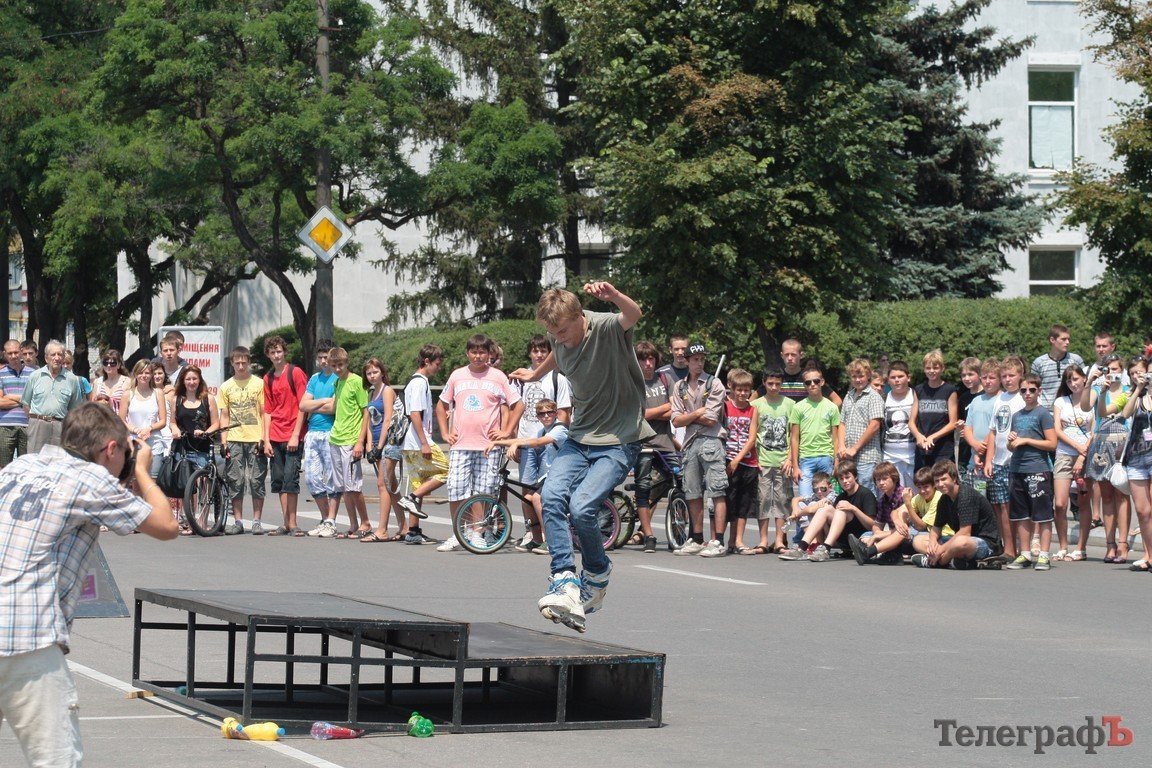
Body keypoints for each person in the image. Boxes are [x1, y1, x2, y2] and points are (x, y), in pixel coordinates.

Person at [0, 402, 177, 767]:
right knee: (56, 759)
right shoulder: (89, 478)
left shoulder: (20, 466)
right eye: (123, 456)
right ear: (110, 449)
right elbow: (166, 525)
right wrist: (143, 472)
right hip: (26, 637)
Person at [511, 283, 653, 633]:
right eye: (551, 333)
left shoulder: (605, 327)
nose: (560, 338)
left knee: (582, 506)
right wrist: (534, 375)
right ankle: (564, 579)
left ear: (580, 317)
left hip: (620, 439)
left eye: (563, 330)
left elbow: (633, 314)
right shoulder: (560, 343)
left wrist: (615, 296)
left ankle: (597, 573)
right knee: (551, 496)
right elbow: (556, 356)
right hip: (580, 438)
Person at [435, 334, 519, 552]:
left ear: (489, 354)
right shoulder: (457, 376)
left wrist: (507, 432)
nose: (478, 356)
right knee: (456, 488)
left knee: (482, 492)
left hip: (487, 446)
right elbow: (441, 404)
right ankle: (458, 532)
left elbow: (517, 405)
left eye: (482, 352)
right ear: (467, 353)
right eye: (474, 352)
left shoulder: (498, 377)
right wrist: (445, 433)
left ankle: (478, 532)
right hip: (461, 444)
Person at [508, 335, 573, 551]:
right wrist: (514, 440)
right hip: (527, 440)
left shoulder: (557, 378)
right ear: (529, 353)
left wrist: (558, 437)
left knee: (545, 493)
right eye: (535, 351)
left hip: (548, 442)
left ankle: (549, 537)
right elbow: (515, 410)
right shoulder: (521, 379)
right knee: (526, 491)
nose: (539, 355)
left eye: (543, 351)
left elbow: (564, 411)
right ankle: (534, 536)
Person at [670, 340, 731, 558]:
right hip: (689, 443)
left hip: (711, 441)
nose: (699, 363)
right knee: (692, 491)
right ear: (686, 361)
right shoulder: (679, 387)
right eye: (695, 359)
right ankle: (696, 538)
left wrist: (690, 417)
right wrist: (696, 414)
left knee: (717, 490)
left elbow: (712, 418)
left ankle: (718, 540)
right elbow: (675, 420)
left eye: (702, 359)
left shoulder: (714, 384)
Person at [487, 399, 570, 542]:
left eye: (549, 412)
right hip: (550, 474)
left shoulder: (560, 429)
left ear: (556, 413)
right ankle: (536, 539)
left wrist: (518, 443)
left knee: (537, 498)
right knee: (527, 499)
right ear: (537, 417)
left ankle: (550, 541)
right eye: (542, 413)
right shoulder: (543, 430)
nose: (546, 416)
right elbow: (526, 439)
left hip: (564, 472)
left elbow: (538, 443)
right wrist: (496, 442)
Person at [1002, 374, 1058, 571]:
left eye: (1031, 390)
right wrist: (1011, 441)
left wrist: (1026, 440)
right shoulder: (1017, 416)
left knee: (1042, 514)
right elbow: (1012, 447)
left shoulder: (1043, 414)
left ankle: (1043, 554)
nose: (1027, 394)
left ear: (1039, 391)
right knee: (1021, 514)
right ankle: (1024, 554)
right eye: (1023, 390)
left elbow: (1052, 443)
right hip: (1017, 468)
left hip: (1038, 469)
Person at [1081, 354, 1131, 563]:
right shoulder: (1097, 389)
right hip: (1101, 443)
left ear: (1122, 371)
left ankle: (1123, 544)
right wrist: (1090, 382)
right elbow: (1085, 407)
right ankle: (1110, 544)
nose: (1111, 373)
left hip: (1122, 442)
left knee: (1122, 495)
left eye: (1115, 369)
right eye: (1107, 369)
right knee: (1106, 496)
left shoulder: (1128, 392)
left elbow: (1113, 411)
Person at [911, 460, 1003, 569]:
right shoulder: (944, 499)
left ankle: (936, 562)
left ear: (954, 478)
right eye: (937, 481)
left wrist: (940, 550)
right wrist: (932, 542)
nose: (940, 484)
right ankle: (954, 561)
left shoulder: (966, 495)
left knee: (960, 542)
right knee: (918, 540)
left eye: (944, 479)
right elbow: (936, 528)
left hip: (985, 544)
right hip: (957, 542)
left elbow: (965, 532)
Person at [632, 341, 679, 553]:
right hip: (643, 444)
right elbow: (639, 415)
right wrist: (664, 408)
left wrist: (654, 412)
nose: (648, 363)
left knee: (678, 481)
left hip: (665, 442)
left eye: (651, 359)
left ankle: (677, 528)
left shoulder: (664, 378)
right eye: (644, 359)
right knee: (643, 488)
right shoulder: (633, 382)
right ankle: (648, 534)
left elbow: (674, 411)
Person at [395, 344, 444, 544]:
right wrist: (425, 442)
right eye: (437, 364)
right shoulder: (419, 383)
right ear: (427, 361)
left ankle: (413, 532)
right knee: (446, 471)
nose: (439, 368)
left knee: (419, 482)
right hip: (418, 442)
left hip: (413, 442)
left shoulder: (417, 382)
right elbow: (415, 413)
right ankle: (411, 498)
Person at [261, 336, 308, 536]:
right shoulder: (268, 378)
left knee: (291, 479)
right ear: (268, 355)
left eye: (279, 351)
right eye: (272, 352)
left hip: (292, 434)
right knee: (279, 480)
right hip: (276, 434)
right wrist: (266, 440)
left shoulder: (295, 373)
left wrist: (296, 435)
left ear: (284, 352)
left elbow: (303, 405)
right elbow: (268, 411)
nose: (276, 355)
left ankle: (294, 522)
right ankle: (286, 523)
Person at [218, 346, 267, 535]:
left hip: (255, 438)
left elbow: (264, 413)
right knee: (235, 481)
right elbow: (224, 415)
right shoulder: (226, 387)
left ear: (249, 362)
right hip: (234, 438)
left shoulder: (259, 384)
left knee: (256, 480)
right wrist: (223, 442)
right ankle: (238, 521)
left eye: (243, 362)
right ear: (232, 363)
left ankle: (256, 520)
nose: (240, 366)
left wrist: (264, 438)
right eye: (237, 362)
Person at [785, 460, 876, 562]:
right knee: (825, 508)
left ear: (855, 476)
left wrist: (853, 509)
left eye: (847, 477)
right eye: (841, 479)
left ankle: (825, 549)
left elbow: (872, 525)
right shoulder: (842, 496)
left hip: (859, 538)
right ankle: (802, 547)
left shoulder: (865, 494)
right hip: (840, 538)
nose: (845, 481)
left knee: (841, 511)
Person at [984, 355, 1026, 559]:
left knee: (1013, 506)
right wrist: (988, 460)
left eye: (1012, 375)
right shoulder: (1000, 398)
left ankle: (1017, 548)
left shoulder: (1023, 397)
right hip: (998, 460)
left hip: (1016, 460)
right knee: (999, 505)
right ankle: (1005, 546)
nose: (1008, 379)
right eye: (1004, 376)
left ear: (1020, 376)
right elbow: (992, 431)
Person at [328, 346, 372, 539]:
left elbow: (366, 412)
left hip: (351, 439)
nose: (337, 368)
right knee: (344, 487)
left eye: (340, 365)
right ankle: (353, 523)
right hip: (335, 438)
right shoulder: (337, 382)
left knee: (354, 486)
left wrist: (360, 442)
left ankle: (365, 522)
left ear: (347, 363)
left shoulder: (357, 382)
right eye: (334, 365)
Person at [361, 358, 406, 542]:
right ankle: (404, 526)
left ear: (382, 372)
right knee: (391, 485)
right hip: (378, 443)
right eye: (369, 373)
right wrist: (369, 445)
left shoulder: (387, 391)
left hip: (390, 442)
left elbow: (387, 419)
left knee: (382, 484)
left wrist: (379, 447)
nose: (372, 376)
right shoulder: (372, 393)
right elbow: (371, 421)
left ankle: (382, 530)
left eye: (375, 372)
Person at [300, 340, 340, 538]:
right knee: (312, 478)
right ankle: (325, 519)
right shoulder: (314, 379)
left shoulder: (337, 379)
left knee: (332, 479)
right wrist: (324, 401)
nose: (324, 361)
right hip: (313, 432)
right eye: (321, 357)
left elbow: (333, 408)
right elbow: (302, 405)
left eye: (327, 357)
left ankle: (331, 521)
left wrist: (315, 404)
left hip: (330, 432)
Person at [751, 367, 794, 553]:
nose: (774, 387)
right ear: (764, 383)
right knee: (763, 500)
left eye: (777, 383)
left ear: (782, 384)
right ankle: (762, 540)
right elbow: (751, 434)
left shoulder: (790, 404)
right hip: (763, 459)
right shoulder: (756, 405)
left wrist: (791, 458)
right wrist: (755, 459)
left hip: (783, 459)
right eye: (770, 383)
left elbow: (794, 435)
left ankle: (779, 541)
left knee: (782, 501)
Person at [1052, 365, 1093, 561]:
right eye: (1069, 380)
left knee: (1083, 502)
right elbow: (1058, 430)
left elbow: (1095, 430)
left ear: (1084, 379)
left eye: (1076, 379)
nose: (1073, 383)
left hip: (1085, 457)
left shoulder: (1092, 399)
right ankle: (1062, 546)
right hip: (1064, 453)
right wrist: (1077, 447)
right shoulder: (1061, 401)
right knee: (1060, 503)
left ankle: (1080, 547)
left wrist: (1082, 455)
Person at [20, 340, 86, 454]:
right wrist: (34, 421)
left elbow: (75, 409)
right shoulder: (35, 376)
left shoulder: (72, 379)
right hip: (38, 425)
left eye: (60, 354)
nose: (57, 358)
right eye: (53, 354)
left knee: (58, 463)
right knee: (36, 463)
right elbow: (26, 404)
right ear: (46, 358)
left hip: (60, 426)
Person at [788, 363, 842, 499]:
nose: (812, 384)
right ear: (804, 385)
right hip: (806, 458)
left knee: (829, 498)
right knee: (805, 499)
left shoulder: (832, 407)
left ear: (822, 382)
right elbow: (794, 438)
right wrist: (795, 466)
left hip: (826, 457)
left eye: (816, 381)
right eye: (808, 382)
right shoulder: (798, 407)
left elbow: (835, 438)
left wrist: (837, 463)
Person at [724, 369, 761, 554]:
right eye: (739, 389)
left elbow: (752, 438)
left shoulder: (753, 410)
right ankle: (724, 540)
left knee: (743, 504)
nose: (742, 393)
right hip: (728, 460)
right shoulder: (725, 407)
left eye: (746, 390)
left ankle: (737, 540)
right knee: (728, 501)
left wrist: (737, 459)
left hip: (747, 462)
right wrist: (730, 461)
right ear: (732, 388)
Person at [1120, 365, 1152, 571]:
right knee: (1142, 511)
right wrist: (1139, 390)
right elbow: (1125, 413)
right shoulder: (1139, 395)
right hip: (1136, 458)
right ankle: (1149, 554)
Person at [838, 358, 884, 496]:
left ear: (868, 375)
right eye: (854, 376)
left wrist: (855, 448)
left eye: (861, 376)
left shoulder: (873, 397)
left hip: (867, 457)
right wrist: (841, 446)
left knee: (867, 494)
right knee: (851, 494)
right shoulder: (849, 396)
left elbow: (875, 425)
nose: (858, 380)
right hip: (848, 456)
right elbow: (842, 423)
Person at [117, 360, 168, 479]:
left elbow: (163, 421)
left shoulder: (158, 393)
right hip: (134, 443)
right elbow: (121, 421)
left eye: (147, 373)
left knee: (152, 483)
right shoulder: (128, 394)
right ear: (135, 374)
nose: (144, 376)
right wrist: (136, 430)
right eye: (140, 373)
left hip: (154, 444)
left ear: (151, 375)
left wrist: (149, 429)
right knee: (136, 483)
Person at [910, 349, 959, 471]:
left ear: (942, 368)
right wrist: (919, 436)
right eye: (928, 368)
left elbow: (953, 422)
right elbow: (911, 422)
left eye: (935, 368)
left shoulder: (950, 390)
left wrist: (933, 437)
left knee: (942, 485)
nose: (932, 371)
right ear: (924, 369)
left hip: (943, 449)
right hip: (922, 447)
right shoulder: (919, 389)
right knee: (923, 485)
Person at [1031, 324, 1084, 410]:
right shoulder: (1039, 363)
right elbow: (1033, 388)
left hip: (1071, 411)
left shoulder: (1076, 360)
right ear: (1052, 340)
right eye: (1063, 339)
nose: (1067, 342)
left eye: (1068, 339)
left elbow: (1084, 385)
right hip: (1046, 412)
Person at [882, 361, 917, 488]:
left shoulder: (916, 395)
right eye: (893, 377)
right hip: (889, 456)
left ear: (908, 377)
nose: (897, 380)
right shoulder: (884, 398)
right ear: (888, 380)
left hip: (912, 456)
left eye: (900, 376)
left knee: (915, 496)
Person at [0, 339, 34, 468]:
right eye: (10, 353)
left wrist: (12, 397)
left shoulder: (33, 374)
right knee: (3, 467)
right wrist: (23, 401)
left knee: (26, 467)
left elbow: (34, 400)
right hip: (4, 426)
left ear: (21, 351)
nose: (13, 356)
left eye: (16, 352)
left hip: (27, 425)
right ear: (5, 354)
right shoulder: (0, 374)